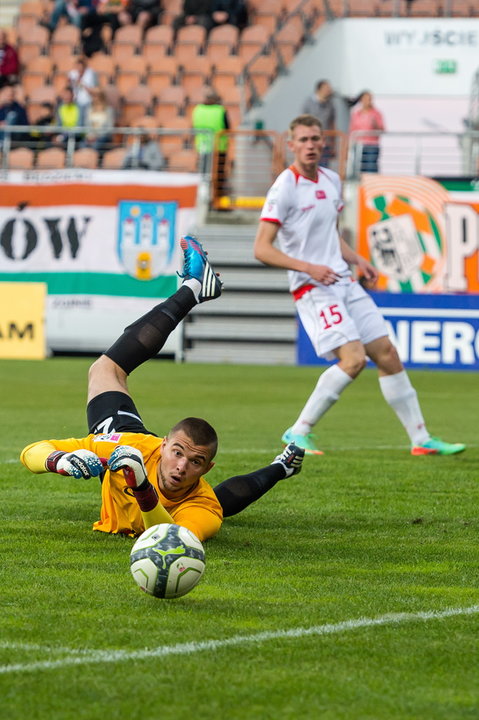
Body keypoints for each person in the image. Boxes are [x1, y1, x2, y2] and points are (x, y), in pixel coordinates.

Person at [20, 236, 305, 542]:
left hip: (148, 481)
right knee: (105, 370)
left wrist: (141, 485)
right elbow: (31, 452)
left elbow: (170, 536)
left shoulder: (202, 506)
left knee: (215, 506)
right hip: (128, 450)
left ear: (207, 469)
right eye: (177, 453)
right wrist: (60, 461)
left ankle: (281, 467)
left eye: (194, 462)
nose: (181, 466)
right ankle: (194, 288)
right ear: (164, 445)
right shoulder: (130, 449)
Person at [253, 114, 466, 457]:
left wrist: (358, 260)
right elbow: (261, 248)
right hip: (313, 287)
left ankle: (421, 439)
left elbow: (330, 234)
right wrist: (310, 268)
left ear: (324, 143)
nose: (310, 145)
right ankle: (299, 430)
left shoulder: (332, 180)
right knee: (352, 360)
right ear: (291, 145)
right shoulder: (285, 187)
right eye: (303, 140)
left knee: (387, 354)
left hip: (343, 281)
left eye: (315, 139)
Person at [192, 88, 229, 197]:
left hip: (202, 146)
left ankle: (202, 196)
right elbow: (227, 128)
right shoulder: (220, 110)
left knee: (203, 174)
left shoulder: (197, 109)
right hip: (218, 147)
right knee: (217, 174)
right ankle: (216, 197)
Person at [349, 90, 385, 174]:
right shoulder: (356, 113)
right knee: (358, 167)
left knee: (370, 167)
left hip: (372, 145)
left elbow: (382, 129)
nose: (367, 101)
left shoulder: (376, 113)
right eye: (365, 99)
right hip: (358, 145)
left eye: (369, 99)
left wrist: (375, 124)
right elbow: (352, 129)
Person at [301, 80, 335, 167]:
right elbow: (303, 122)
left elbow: (332, 124)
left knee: (323, 168)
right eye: (326, 88)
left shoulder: (330, 105)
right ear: (319, 90)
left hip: (324, 142)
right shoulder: (308, 103)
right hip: (311, 142)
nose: (329, 90)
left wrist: (333, 144)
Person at [81, 87, 115, 152]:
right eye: (93, 95)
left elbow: (109, 128)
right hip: (90, 137)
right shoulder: (89, 109)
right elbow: (86, 124)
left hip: (103, 137)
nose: (94, 97)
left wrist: (97, 136)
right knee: (82, 145)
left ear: (101, 96)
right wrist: (90, 135)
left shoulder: (109, 110)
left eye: (96, 95)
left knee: (96, 146)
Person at [68, 57, 98, 125]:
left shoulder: (90, 74)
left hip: (88, 100)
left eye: (80, 66)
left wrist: (81, 83)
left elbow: (93, 89)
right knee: (79, 121)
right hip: (76, 100)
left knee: (87, 120)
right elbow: (69, 86)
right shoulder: (73, 74)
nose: (78, 68)